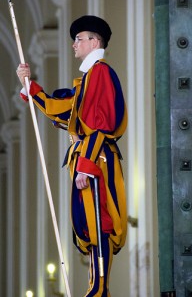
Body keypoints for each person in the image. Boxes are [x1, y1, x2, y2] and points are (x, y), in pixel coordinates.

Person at [17, 15, 127, 297]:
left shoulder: (100, 72)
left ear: (94, 42)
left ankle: (100, 288)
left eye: (79, 39)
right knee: (88, 226)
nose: (74, 44)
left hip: (96, 162)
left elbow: (100, 125)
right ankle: (95, 285)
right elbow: (66, 110)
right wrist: (31, 87)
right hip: (89, 161)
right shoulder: (88, 79)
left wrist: (86, 166)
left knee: (98, 222)